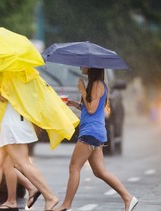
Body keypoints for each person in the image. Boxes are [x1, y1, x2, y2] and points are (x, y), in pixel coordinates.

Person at [0, 71, 64, 211]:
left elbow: (3, 97)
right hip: (1, 123)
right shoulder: (5, 72)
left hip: (12, 122)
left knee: (21, 162)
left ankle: (50, 196)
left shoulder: (11, 72)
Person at [55, 67, 138, 211]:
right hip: (95, 131)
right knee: (100, 172)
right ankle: (128, 198)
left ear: (91, 67)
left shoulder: (97, 85)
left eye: (84, 64)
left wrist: (81, 90)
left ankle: (66, 204)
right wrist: (75, 104)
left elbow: (92, 109)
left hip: (91, 132)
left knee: (74, 167)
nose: (81, 67)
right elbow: (91, 109)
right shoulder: (95, 84)